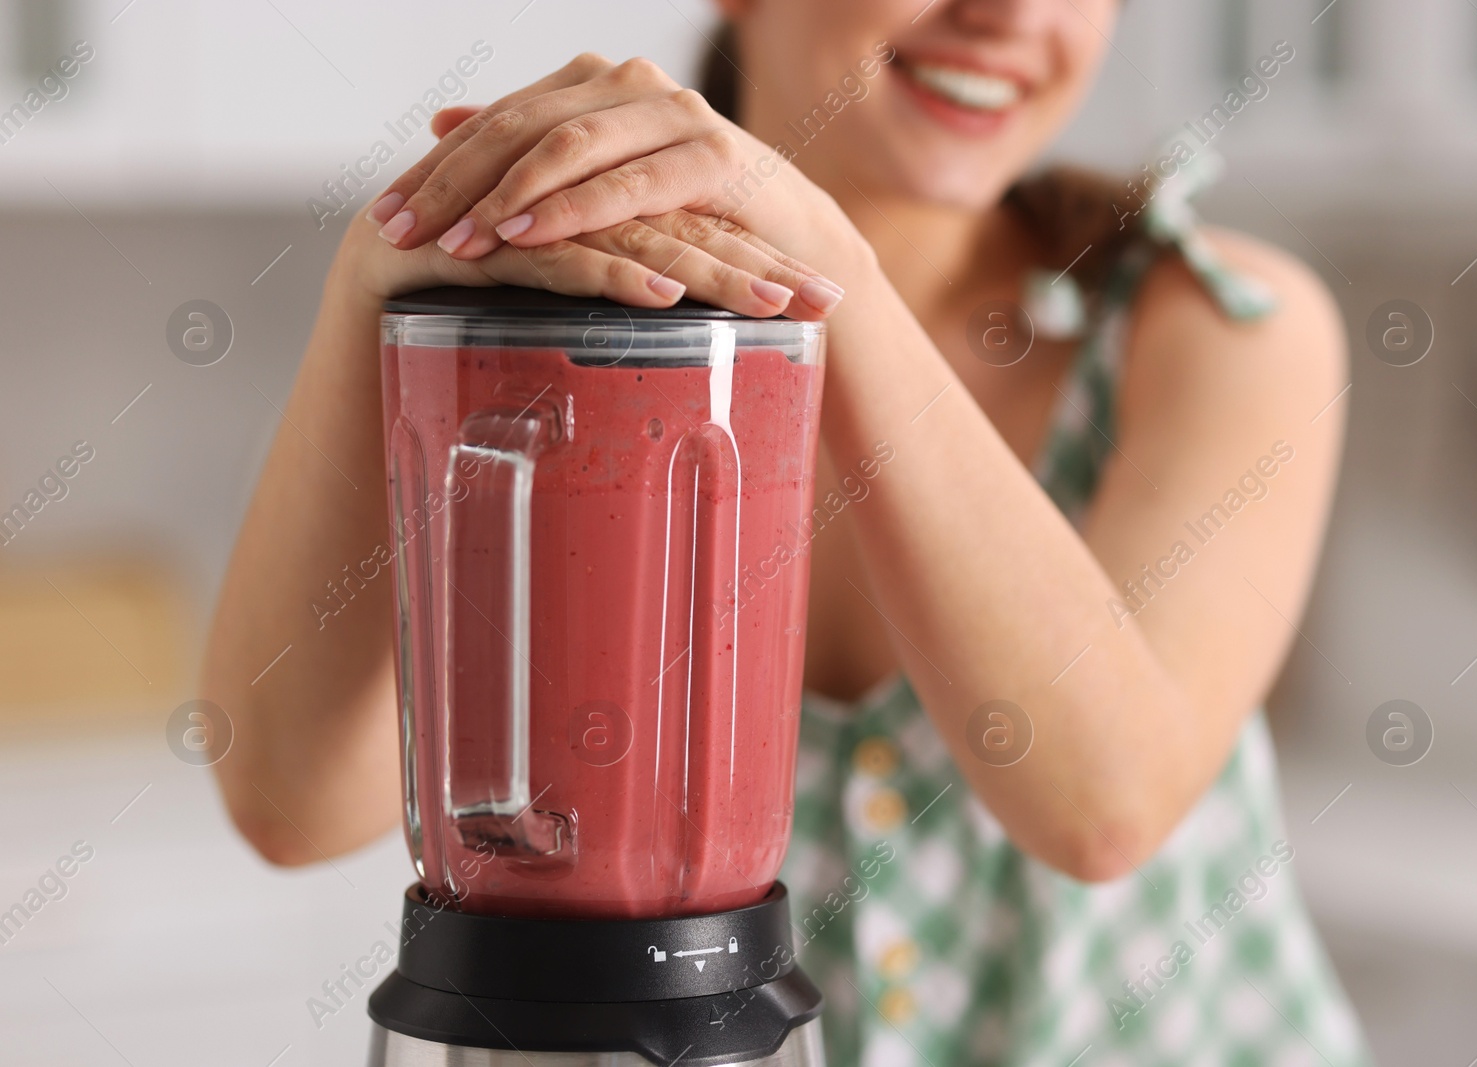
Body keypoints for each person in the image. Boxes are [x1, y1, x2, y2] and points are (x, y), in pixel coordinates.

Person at [202, 0, 1371, 1063]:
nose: (1011, 16)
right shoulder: (578, 354)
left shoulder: (1222, 331)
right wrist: (377, 284)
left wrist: (832, 277)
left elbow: (1102, 804)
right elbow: (295, 801)